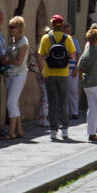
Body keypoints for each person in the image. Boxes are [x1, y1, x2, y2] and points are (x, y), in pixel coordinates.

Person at [36, 12, 76, 141]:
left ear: (52, 25)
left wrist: (43, 71)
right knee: (63, 101)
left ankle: (53, 131)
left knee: (52, 101)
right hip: (63, 73)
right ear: (62, 25)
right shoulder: (67, 38)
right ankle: (65, 130)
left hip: (49, 73)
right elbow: (73, 56)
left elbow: (40, 56)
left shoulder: (46, 38)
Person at [4, 16, 29, 140]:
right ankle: (19, 130)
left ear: (19, 28)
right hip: (9, 74)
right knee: (14, 103)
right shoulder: (12, 40)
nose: (10, 29)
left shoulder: (23, 42)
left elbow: (19, 61)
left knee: (10, 102)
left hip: (19, 74)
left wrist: (7, 59)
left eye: (12, 27)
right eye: (10, 27)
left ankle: (11, 132)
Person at [66, 27, 81, 121]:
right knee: (64, 91)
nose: (68, 32)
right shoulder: (60, 40)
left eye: (69, 30)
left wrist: (76, 68)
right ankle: (66, 112)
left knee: (73, 91)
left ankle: (74, 112)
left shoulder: (74, 41)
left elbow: (78, 55)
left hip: (72, 69)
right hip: (62, 69)